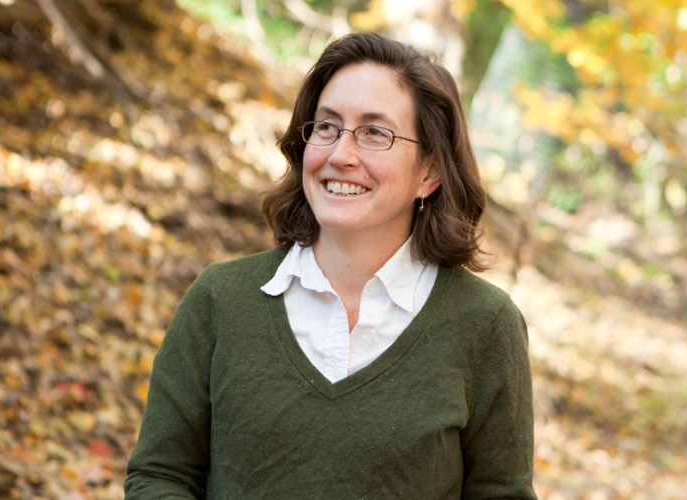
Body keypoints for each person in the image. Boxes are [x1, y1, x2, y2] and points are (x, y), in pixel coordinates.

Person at [124, 32, 536, 499]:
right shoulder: (220, 300)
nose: (341, 155)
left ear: (430, 172)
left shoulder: (485, 325)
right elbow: (160, 477)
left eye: (375, 133)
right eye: (327, 127)